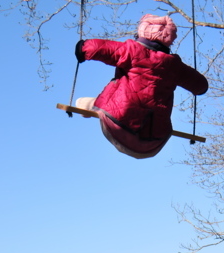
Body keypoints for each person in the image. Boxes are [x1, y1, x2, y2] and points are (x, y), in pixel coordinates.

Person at [74, 14, 208, 159]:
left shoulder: (132, 50)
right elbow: (201, 86)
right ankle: (91, 105)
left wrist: (82, 48)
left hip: (119, 126)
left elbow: (96, 48)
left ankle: (89, 105)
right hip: (153, 142)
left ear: (142, 31)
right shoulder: (175, 66)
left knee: (98, 99)